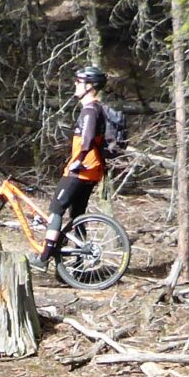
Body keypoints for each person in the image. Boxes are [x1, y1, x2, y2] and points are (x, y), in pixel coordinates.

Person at [41, 64, 110, 265]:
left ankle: (44, 257)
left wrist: (77, 161)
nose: (75, 85)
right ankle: (78, 265)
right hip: (93, 171)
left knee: (56, 209)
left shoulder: (90, 110)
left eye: (79, 82)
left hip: (82, 170)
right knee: (77, 215)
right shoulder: (96, 109)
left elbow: (87, 139)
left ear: (90, 87)